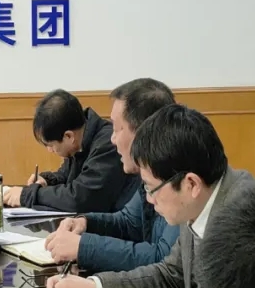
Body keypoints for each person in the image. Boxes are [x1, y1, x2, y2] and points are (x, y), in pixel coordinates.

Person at [46, 104, 254, 288]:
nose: (148, 199)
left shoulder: (243, 222)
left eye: (150, 188)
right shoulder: (201, 200)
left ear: (190, 184)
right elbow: (170, 275)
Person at [44, 78, 179, 272]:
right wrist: (84, 223)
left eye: (116, 129)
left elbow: (163, 260)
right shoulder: (150, 174)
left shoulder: (182, 178)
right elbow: (128, 223)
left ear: (143, 133)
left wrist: (83, 248)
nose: (112, 139)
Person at [3, 89, 135, 214]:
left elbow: (80, 198)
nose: (50, 150)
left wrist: (27, 195)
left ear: (68, 136)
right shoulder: (81, 140)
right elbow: (65, 176)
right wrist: (47, 181)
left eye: (50, 145)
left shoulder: (107, 145)